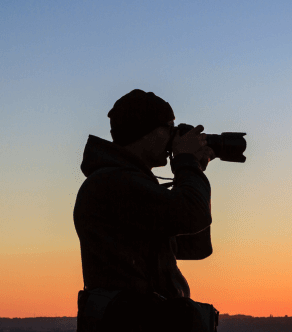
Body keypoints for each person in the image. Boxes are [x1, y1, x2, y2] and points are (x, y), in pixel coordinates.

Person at [74, 89, 217, 331]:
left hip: (141, 319)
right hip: (133, 322)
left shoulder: (130, 184)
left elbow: (195, 245)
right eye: (169, 127)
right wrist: (187, 165)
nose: (174, 136)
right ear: (146, 131)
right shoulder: (115, 183)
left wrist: (192, 170)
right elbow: (192, 215)